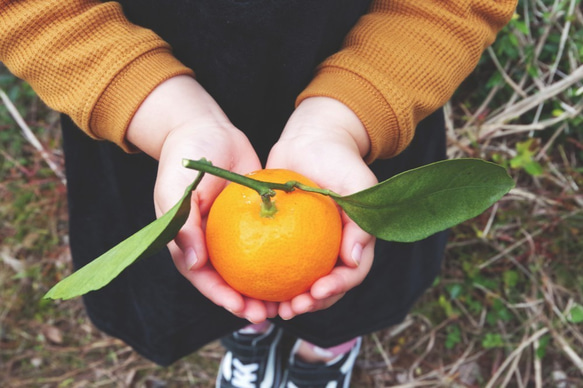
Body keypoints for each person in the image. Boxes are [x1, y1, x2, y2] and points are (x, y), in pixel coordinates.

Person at [1, 1, 517, 386]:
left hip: (360, 104)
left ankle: (327, 349)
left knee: (348, 263)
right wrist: (167, 116)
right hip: (151, 115)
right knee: (205, 254)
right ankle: (247, 334)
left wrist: (348, 116)